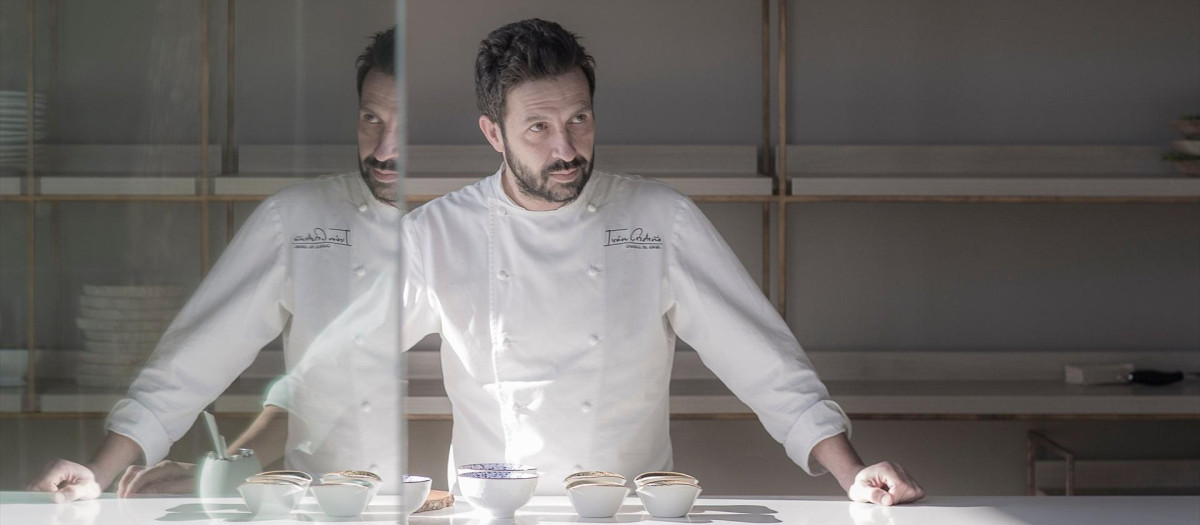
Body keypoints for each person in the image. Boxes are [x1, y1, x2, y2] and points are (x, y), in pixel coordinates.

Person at [31, 20, 924, 505]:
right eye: (539, 126)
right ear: (493, 132)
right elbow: (327, 370)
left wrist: (854, 474)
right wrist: (148, 465)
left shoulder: (659, 220)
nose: (566, 144)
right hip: (487, 517)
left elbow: (764, 360)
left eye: (579, 119)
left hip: (625, 513)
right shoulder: (440, 234)